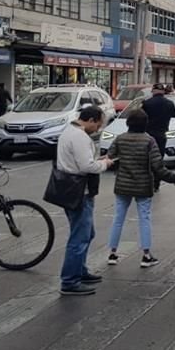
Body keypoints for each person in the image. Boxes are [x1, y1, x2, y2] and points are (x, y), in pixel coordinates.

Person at [106, 109, 175, 268]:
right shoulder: (149, 141)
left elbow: (110, 156)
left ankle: (112, 253)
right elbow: (158, 166)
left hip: (123, 184)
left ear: (128, 123)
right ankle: (146, 255)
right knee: (144, 218)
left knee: (118, 218)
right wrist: (174, 178)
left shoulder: (120, 138)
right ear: (145, 124)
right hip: (143, 185)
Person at [56, 106, 112, 296]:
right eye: (98, 125)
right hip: (80, 190)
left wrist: (97, 160)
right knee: (79, 237)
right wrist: (104, 163)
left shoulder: (69, 132)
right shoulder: (80, 136)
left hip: (71, 189)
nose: (98, 129)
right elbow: (86, 166)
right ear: (90, 120)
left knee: (87, 233)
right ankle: (70, 281)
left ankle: (80, 270)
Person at [143, 83, 175, 157]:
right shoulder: (169, 103)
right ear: (163, 91)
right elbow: (174, 114)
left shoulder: (147, 103)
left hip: (148, 133)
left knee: (148, 154)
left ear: (153, 91)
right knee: (160, 154)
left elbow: (141, 117)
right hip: (162, 132)